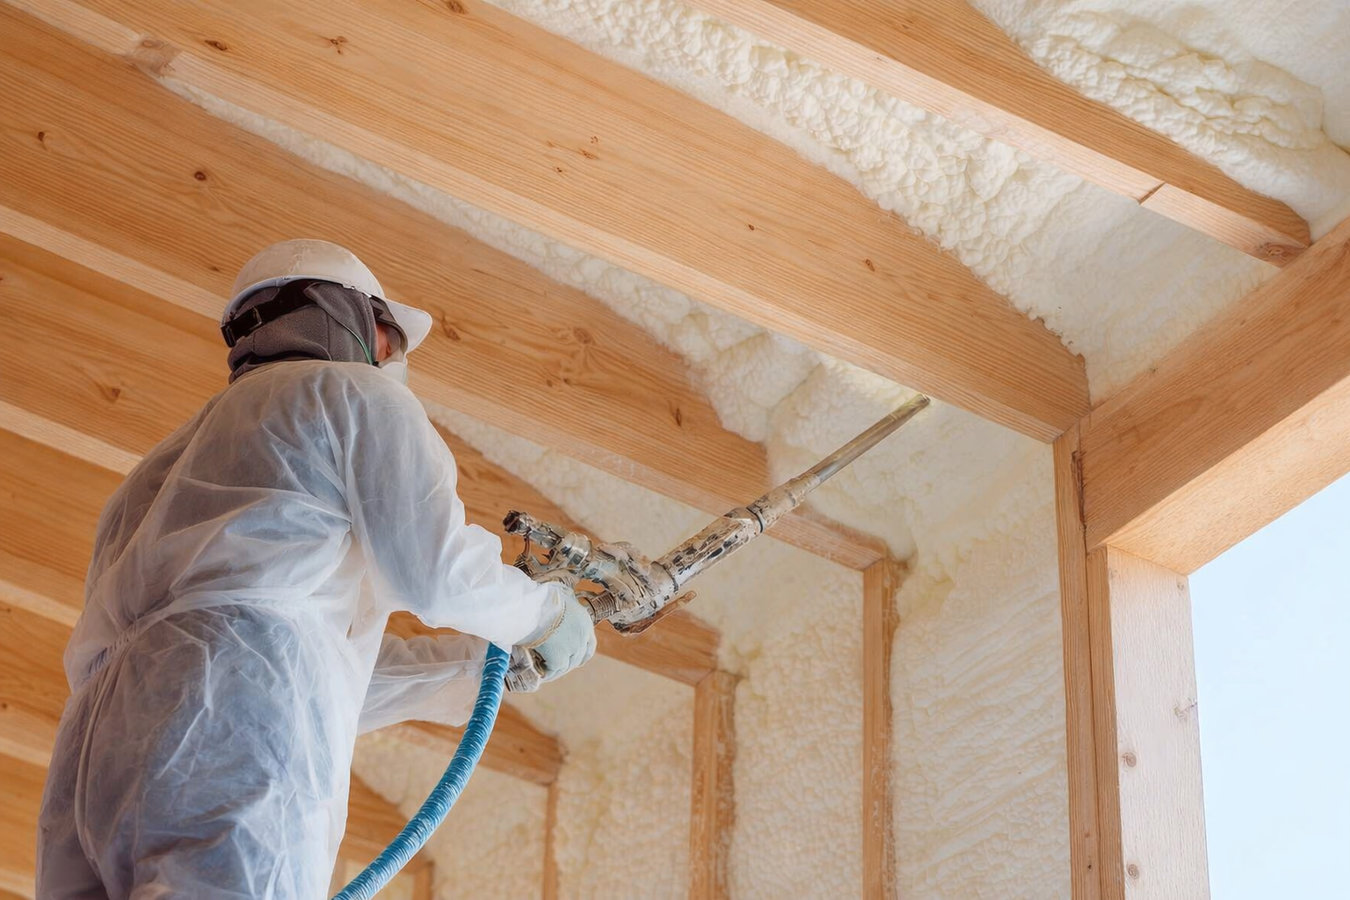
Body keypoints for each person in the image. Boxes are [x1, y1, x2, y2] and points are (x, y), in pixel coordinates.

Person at [35, 239, 597, 899]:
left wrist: (481, 670)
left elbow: (289, 661)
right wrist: (542, 613)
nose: (394, 359)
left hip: (91, 762)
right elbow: (437, 574)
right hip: (224, 754)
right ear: (356, 322)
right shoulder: (349, 394)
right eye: (391, 338)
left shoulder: (151, 476)